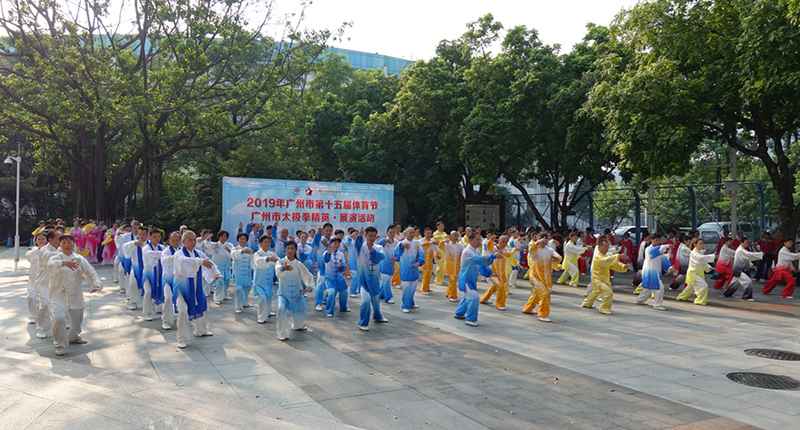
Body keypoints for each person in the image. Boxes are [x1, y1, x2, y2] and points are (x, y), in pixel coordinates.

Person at [46, 235, 103, 356]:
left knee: (77, 320)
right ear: (60, 245)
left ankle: (73, 337)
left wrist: (96, 283)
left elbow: (90, 271)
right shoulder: (55, 257)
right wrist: (63, 263)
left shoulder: (79, 259)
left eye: (69, 242)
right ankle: (60, 344)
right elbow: (50, 265)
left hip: (75, 294)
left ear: (73, 244)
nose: (67, 244)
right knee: (59, 318)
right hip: (58, 294)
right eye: (64, 242)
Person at [172, 230, 219, 348]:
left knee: (202, 306)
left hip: (196, 286)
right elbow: (184, 262)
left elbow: (209, 262)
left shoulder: (198, 253)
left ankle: (201, 330)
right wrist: (200, 262)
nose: (193, 242)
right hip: (182, 287)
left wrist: (216, 272)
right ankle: (181, 338)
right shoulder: (179, 254)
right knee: (183, 311)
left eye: (194, 239)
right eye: (189, 239)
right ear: (183, 241)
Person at [454, 232, 496, 326]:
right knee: (474, 297)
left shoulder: (475, 251)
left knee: (467, 297)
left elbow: (481, 265)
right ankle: (470, 319)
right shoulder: (467, 252)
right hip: (466, 280)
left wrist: (488, 273)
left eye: (480, 239)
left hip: (471, 279)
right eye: (477, 239)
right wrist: (493, 256)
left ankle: (459, 313)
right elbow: (481, 260)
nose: (479, 242)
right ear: (470, 240)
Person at [275, 241, 315, 341]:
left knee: (300, 310)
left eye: (292, 248)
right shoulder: (280, 262)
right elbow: (278, 273)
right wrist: (284, 268)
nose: (290, 250)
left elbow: (307, 275)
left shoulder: (298, 264)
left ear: (295, 250)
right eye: (288, 248)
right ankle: (282, 334)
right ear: (285, 250)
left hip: (297, 293)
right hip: (283, 293)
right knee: (281, 309)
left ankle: (298, 325)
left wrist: (309, 286)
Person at [353, 227, 389, 331]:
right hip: (364, 280)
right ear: (366, 235)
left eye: (374, 236)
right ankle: (363, 322)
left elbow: (380, 258)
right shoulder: (361, 247)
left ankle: (377, 316)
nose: (372, 238)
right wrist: (359, 236)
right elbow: (357, 244)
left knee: (376, 301)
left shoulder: (378, 247)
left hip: (375, 280)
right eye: (370, 236)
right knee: (366, 300)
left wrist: (372, 250)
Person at [582, 237, 628, 315]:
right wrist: (617, 256)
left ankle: (587, 303)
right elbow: (605, 261)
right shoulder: (597, 256)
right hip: (597, 279)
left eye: (607, 247)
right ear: (599, 246)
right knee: (608, 293)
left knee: (595, 292)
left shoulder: (606, 255)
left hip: (604, 279)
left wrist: (623, 266)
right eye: (605, 247)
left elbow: (612, 264)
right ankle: (604, 308)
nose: (607, 249)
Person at [522, 237, 562, 322]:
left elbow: (558, 257)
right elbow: (531, 249)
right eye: (542, 241)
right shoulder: (534, 250)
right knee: (545, 293)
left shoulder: (549, 250)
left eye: (545, 241)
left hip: (545, 277)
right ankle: (543, 314)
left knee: (537, 294)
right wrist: (537, 242)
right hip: (534, 276)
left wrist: (556, 258)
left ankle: (527, 308)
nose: (544, 243)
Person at [637, 234, 672, 311]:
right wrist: (668, 245)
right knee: (659, 288)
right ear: (651, 240)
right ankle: (657, 304)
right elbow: (658, 250)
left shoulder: (659, 251)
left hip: (653, 272)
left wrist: (670, 267)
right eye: (655, 240)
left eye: (658, 240)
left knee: (648, 288)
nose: (657, 241)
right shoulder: (648, 249)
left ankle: (640, 300)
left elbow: (664, 258)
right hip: (650, 272)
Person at [480, 235, 515, 310]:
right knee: (501, 286)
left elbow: (509, 254)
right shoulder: (493, 248)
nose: (504, 243)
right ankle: (500, 304)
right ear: (499, 240)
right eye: (503, 241)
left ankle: (484, 299)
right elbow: (488, 246)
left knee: (494, 287)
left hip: (502, 273)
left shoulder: (506, 249)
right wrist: (491, 240)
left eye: (506, 242)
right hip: (493, 273)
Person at [676, 239, 716, 305]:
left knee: (690, 287)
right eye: (700, 243)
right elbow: (701, 258)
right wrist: (713, 256)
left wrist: (709, 268)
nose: (702, 245)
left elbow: (702, 262)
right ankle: (699, 301)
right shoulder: (693, 253)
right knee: (704, 286)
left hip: (698, 273)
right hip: (693, 273)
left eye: (702, 243)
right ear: (695, 244)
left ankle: (681, 297)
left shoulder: (699, 252)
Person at [395, 227, 425, 313]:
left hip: (414, 270)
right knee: (406, 289)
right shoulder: (401, 243)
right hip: (405, 269)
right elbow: (396, 255)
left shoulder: (417, 243)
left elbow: (422, 255)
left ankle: (411, 303)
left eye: (413, 232)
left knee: (412, 289)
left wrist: (419, 262)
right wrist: (401, 246)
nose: (412, 234)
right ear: (405, 233)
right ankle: (405, 305)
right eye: (410, 233)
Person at [253, 235, 279, 324]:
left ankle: (267, 312)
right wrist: (267, 259)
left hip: (269, 281)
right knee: (262, 298)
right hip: (260, 281)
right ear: (260, 243)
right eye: (265, 242)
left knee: (268, 297)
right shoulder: (257, 254)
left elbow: (278, 262)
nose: (267, 244)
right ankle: (261, 317)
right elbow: (258, 262)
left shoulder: (272, 253)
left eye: (268, 242)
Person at [141, 228, 165, 321]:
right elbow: (153, 254)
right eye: (154, 237)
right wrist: (163, 254)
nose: (157, 238)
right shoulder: (145, 248)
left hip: (159, 274)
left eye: (159, 236)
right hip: (148, 274)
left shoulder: (162, 247)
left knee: (160, 291)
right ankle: (146, 313)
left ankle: (159, 308)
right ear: (149, 237)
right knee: (148, 292)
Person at [122, 227, 148, 310]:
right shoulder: (132, 244)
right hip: (136, 267)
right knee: (133, 283)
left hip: (148, 269)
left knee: (148, 286)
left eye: (144, 234)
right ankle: (133, 301)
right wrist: (133, 244)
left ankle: (147, 302)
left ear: (147, 235)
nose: (141, 236)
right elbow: (125, 251)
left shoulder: (150, 244)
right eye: (139, 234)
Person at [322, 237, 349, 317]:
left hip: (340, 278)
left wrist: (342, 267)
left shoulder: (341, 254)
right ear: (331, 244)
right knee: (332, 293)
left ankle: (343, 308)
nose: (336, 245)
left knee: (344, 292)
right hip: (330, 278)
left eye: (338, 243)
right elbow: (326, 260)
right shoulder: (326, 253)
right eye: (334, 243)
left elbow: (344, 266)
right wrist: (329, 252)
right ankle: (329, 311)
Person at [25, 233, 47, 327]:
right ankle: (33, 316)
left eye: (43, 239)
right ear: (35, 241)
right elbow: (29, 258)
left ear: (46, 240)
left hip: (45, 280)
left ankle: (45, 319)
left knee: (45, 301)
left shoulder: (50, 252)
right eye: (39, 239)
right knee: (31, 297)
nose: (41, 241)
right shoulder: (31, 252)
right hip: (33, 279)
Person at [160, 231, 181, 330]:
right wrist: (176, 257)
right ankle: (166, 321)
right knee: (168, 299)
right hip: (168, 279)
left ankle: (181, 319)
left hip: (180, 280)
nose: (175, 241)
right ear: (169, 240)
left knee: (181, 301)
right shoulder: (166, 251)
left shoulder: (182, 250)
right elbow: (164, 261)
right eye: (173, 240)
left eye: (177, 239)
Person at [207, 230, 233, 305]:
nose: (224, 238)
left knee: (226, 281)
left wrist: (228, 250)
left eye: (225, 236)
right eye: (222, 236)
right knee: (219, 282)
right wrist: (208, 238)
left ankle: (224, 295)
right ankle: (217, 298)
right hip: (218, 267)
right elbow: (207, 246)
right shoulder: (215, 245)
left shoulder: (229, 245)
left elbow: (233, 253)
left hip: (227, 266)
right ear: (219, 237)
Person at [231, 233, 254, 313]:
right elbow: (233, 256)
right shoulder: (235, 249)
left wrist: (253, 268)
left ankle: (245, 302)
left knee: (247, 288)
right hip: (238, 273)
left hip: (247, 272)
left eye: (244, 239)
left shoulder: (249, 249)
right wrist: (242, 251)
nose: (242, 240)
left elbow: (252, 261)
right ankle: (238, 306)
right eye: (241, 238)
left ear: (246, 240)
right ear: (238, 240)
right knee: (239, 289)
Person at [377, 225, 398, 304]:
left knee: (386, 280)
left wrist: (396, 258)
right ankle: (388, 297)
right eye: (390, 232)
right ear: (387, 232)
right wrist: (384, 242)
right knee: (386, 280)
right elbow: (376, 247)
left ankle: (380, 294)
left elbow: (398, 252)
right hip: (383, 263)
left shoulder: (396, 242)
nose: (392, 234)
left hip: (392, 264)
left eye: (393, 232)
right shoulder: (383, 241)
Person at [444, 231, 464, 302]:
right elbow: (439, 245)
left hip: (457, 265)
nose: (455, 237)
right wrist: (445, 241)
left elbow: (463, 255)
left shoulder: (460, 246)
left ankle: (449, 292)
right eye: (453, 235)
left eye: (456, 235)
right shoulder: (446, 244)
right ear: (450, 236)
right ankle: (453, 296)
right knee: (452, 280)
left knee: (453, 280)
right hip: (450, 265)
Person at [419, 227, 437, 295]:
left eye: (430, 233)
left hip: (430, 260)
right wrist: (429, 242)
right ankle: (424, 289)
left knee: (429, 274)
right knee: (425, 274)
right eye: (427, 233)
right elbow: (421, 246)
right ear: (424, 233)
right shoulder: (421, 240)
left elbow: (435, 249)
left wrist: (437, 255)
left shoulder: (433, 241)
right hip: (424, 259)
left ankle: (427, 287)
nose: (429, 234)